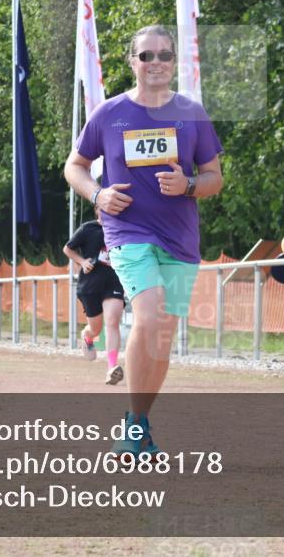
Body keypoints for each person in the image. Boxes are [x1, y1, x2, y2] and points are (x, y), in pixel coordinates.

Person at [64, 24, 224, 457]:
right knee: (149, 318)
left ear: (174, 62)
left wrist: (189, 185)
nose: (156, 63)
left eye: (164, 55)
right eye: (146, 56)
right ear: (132, 62)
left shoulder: (191, 113)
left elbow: (214, 178)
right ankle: (135, 427)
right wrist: (98, 194)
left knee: (163, 335)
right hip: (128, 232)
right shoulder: (109, 114)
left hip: (180, 238)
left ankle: (139, 422)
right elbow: (74, 165)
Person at [63, 205, 126, 385]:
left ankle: (112, 368)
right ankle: (88, 336)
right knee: (96, 328)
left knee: (113, 321)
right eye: (104, 208)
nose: (108, 211)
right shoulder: (88, 228)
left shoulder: (122, 229)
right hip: (90, 285)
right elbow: (67, 249)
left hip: (113, 281)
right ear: (97, 210)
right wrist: (82, 262)